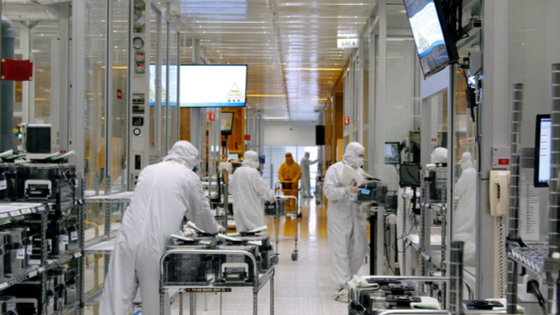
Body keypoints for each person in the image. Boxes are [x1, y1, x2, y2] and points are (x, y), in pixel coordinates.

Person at [99, 141, 223, 315]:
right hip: (154, 246)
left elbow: (151, 209)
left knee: (116, 299)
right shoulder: (188, 177)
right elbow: (201, 214)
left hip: (126, 239)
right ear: (191, 161)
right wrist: (215, 228)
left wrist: (179, 233)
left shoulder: (148, 170)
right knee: (155, 302)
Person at [323, 142, 367, 301]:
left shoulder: (360, 172)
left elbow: (364, 190)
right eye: (359, 155)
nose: (361, 159)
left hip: (356, 216)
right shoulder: (334, 170)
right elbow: (328, 192)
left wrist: (367, 191)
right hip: (339, 217)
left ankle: (350, 281)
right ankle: (341, 288)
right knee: (340, 252)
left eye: (362, 156)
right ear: (350, 154)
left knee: (359, 250)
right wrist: (346, 191)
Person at [230, 150, 276, 232]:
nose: (257, 162)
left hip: (238, 209)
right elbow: (262, 187)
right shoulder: (253, 172)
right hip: (251, 209)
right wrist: (271, 196)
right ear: (252, 160)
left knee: (242, 235)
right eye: (256, 160)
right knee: (256, 233)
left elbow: (230, 188)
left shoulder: (237, 171)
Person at [454, 151, 476, 266]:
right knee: (470, 228)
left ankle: (468, 252)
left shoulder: (466, 173)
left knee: (460, 228)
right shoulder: (474, 172)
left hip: (465, 204)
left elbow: (459, 190)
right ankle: (471, 252)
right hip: (473, 205)